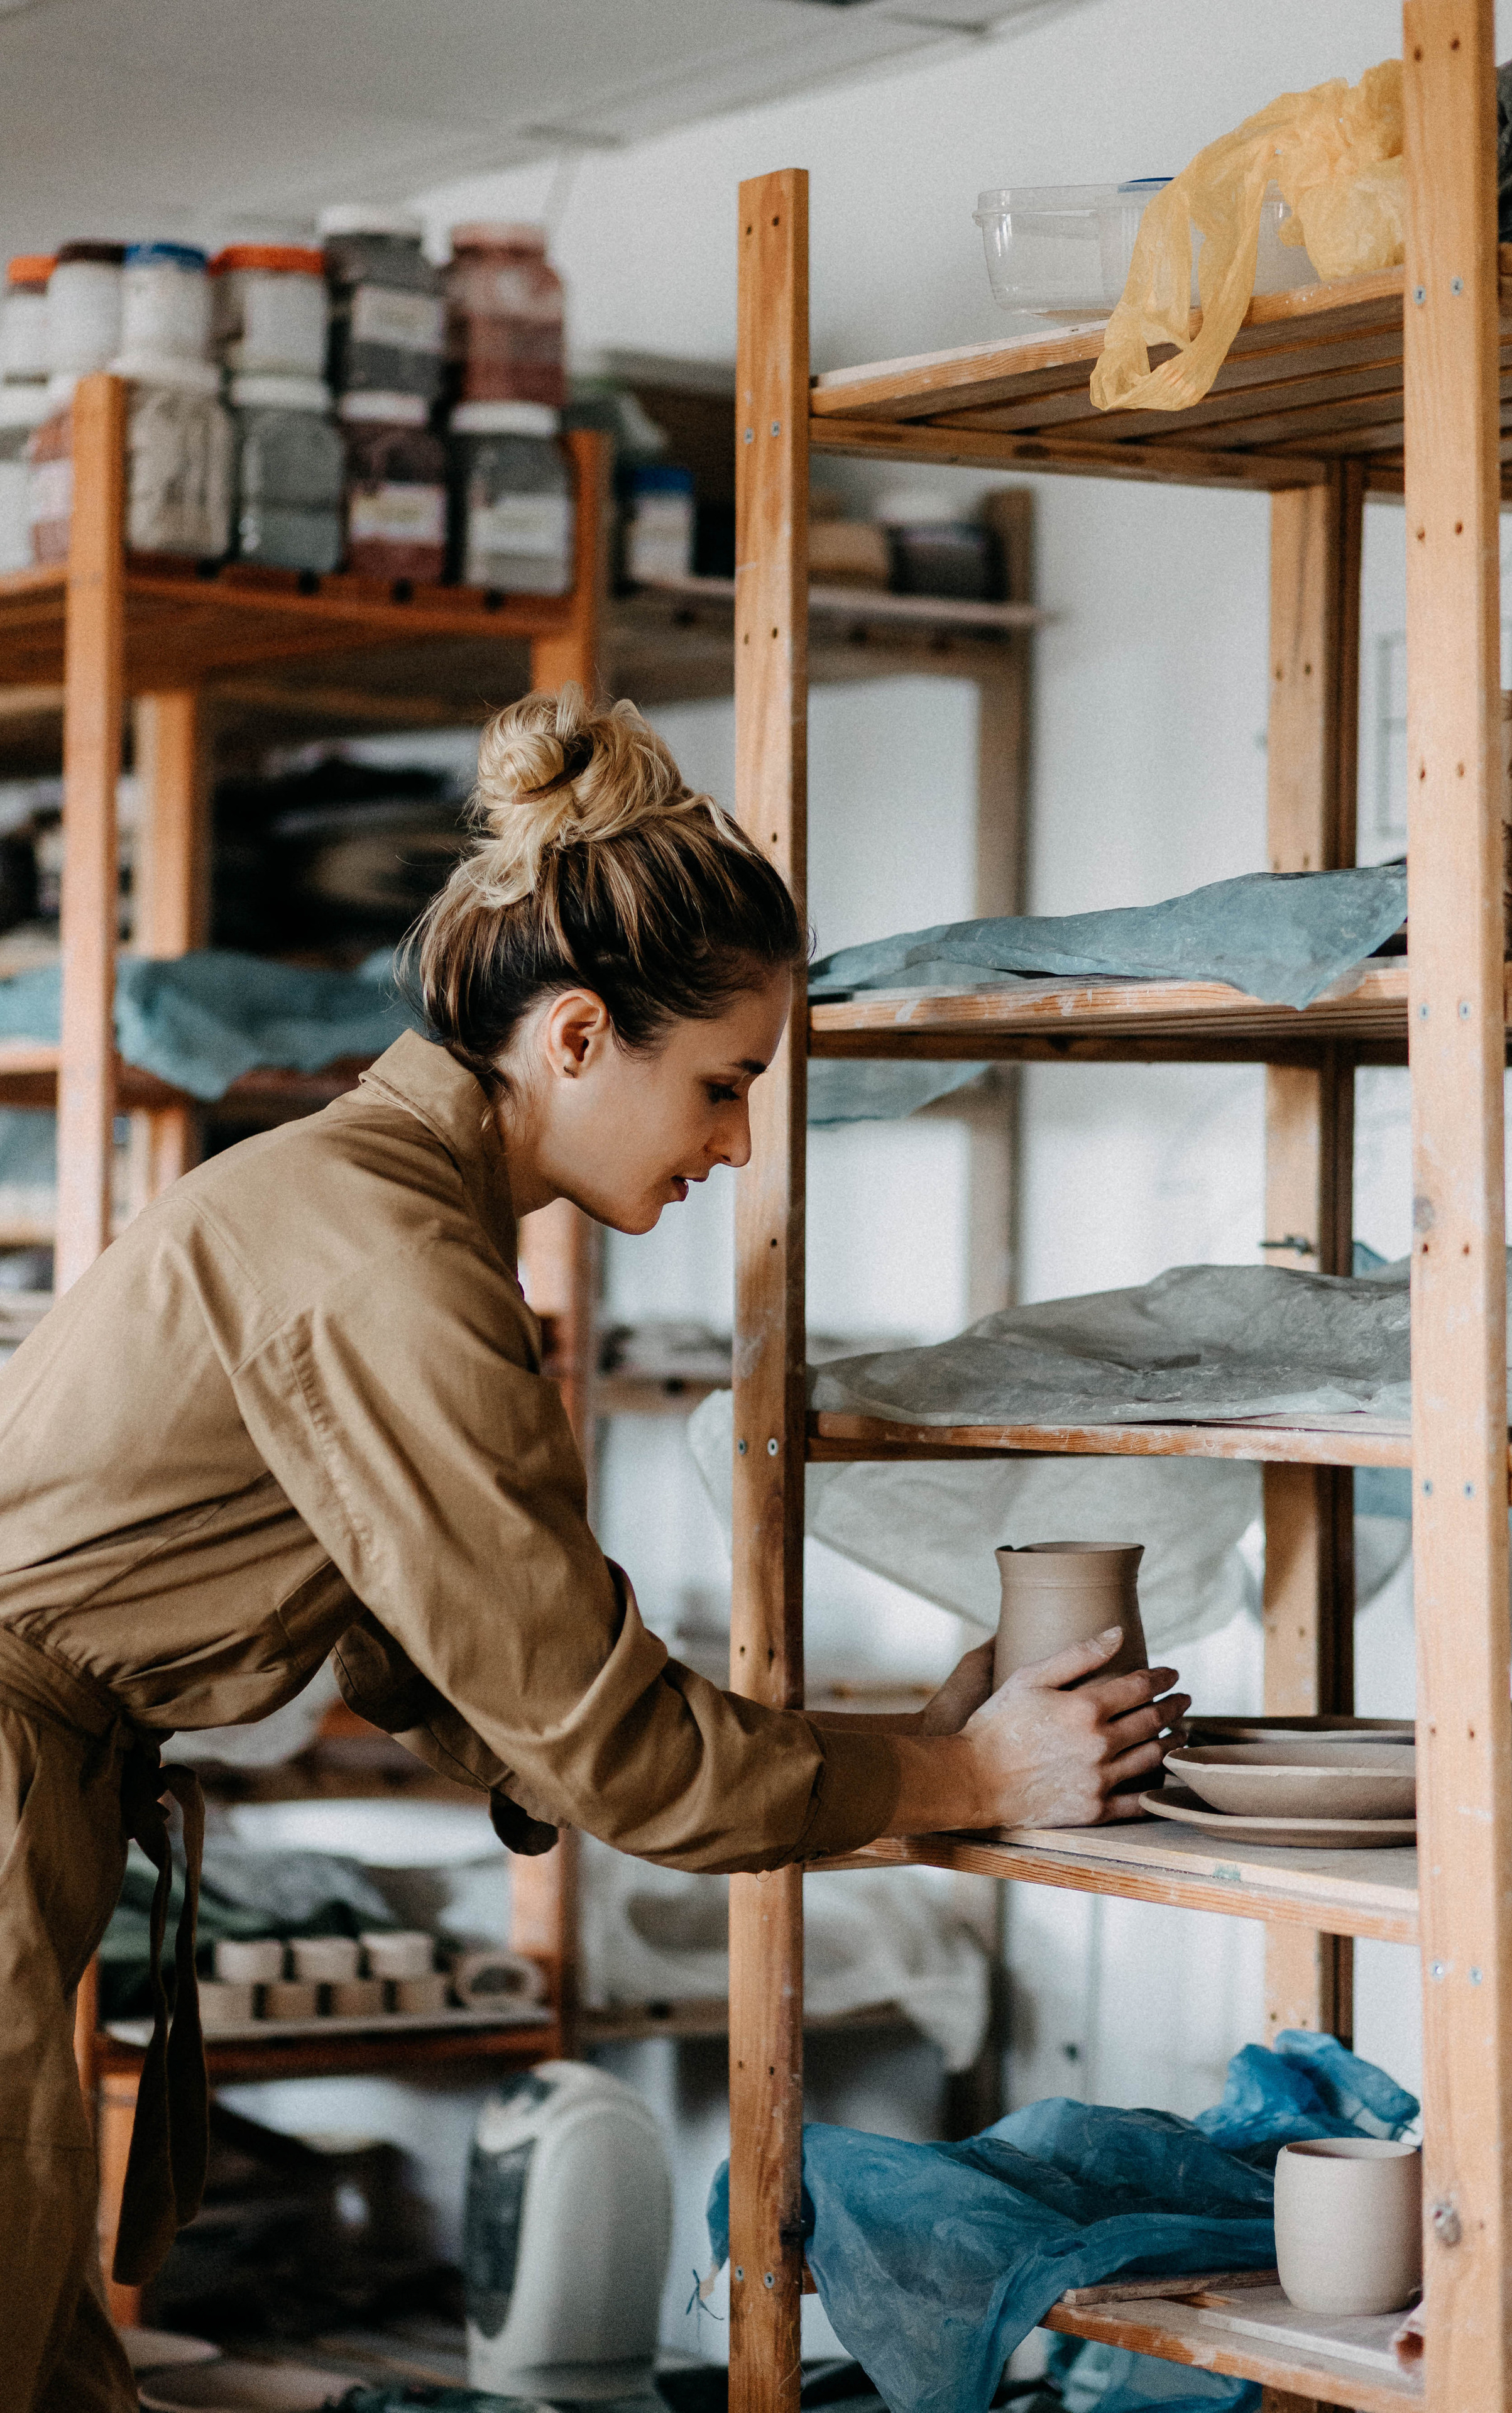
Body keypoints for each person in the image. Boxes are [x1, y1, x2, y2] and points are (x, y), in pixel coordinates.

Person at [0, 684, 1186, 2411]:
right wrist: (958, 1781)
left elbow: (438, 1658)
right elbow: (599, 1737)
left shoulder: (371, 1200)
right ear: (573, 1038)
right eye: (722, 1084)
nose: (738, 1141)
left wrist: (906, 1758)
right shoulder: (389, 1259)